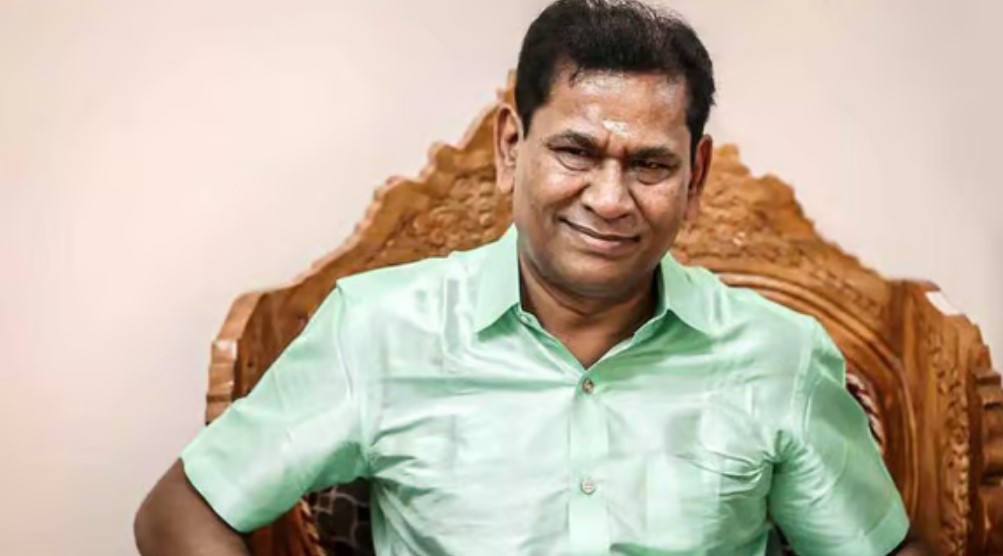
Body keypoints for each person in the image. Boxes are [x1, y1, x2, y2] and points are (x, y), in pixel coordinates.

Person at [135, 0, 933, 554]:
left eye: (649, 165)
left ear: (694, 177)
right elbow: (180, 511)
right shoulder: (377, 329)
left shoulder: (778, 355)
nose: (609, 199)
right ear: (510, 146)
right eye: (576, 152)